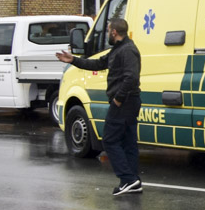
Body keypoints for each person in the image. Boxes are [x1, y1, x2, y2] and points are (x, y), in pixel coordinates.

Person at [57, 17, 143, 196]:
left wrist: (118, 99)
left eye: (107, 31)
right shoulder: (118, 49)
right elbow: (97, 63)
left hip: (125, 102)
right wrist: (73, 59)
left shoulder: (128, 50)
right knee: (128, 142)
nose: (106, 34)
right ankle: (132, 181)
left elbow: (131, 77)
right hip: (127, 102)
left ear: (114, 32)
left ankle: (128, 179)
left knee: (109, 140)